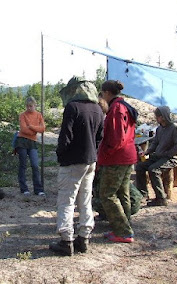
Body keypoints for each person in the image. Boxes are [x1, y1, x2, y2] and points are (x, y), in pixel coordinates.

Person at [49, 76, 104, 256]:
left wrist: (61, 155)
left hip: (73, 161)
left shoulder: (72, 107)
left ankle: (67, 241)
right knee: (85, 199)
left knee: (66, 200)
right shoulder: (97, 108)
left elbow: (65, 136)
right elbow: (99, 137)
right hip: (90, 161)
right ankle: (84, 238)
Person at [97, 80, 138, 243]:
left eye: (102, 93)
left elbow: (115, 139)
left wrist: (103, 156)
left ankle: (123, 231)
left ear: (107, 93)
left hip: (117, 158)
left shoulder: (116, 109)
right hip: (128, 156)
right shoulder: (125, 106)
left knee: (107, 194)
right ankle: (125, 227)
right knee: (122, 192)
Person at [136, 106, 177, 206]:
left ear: (162, 117)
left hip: (170, 158)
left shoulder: (175, 128)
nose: (156, 118)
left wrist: (166, 154)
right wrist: (147, 152)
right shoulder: (159, 129)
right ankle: (143, 194)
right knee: (140, 167)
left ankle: (161, 198)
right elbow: (155, 143)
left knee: (153, 170)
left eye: (157, 116)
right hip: (158, 156)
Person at [15, 96, 46, 196]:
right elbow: (24, 130)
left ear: (35, 105)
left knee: (35, 165)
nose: (29, 108)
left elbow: (42, 129)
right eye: (27, 106)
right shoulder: (22, 115)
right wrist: (34, 130)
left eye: (31, 106)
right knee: (23, 164)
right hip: (22, 141)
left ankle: (38, 189)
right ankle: (24, 188)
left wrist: (32, 127)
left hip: (32, 141)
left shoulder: (38, 115)